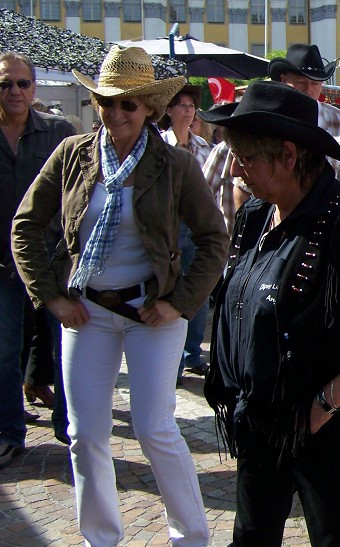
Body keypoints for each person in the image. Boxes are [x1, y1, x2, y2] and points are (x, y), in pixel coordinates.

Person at [11, 46, 229, 545]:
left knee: (154, 429)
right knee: (85, 435)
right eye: (107, 102)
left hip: (153, 312)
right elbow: (26, 224)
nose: (116, 114)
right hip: (88, 310)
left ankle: (191, 536)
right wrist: (50, 296)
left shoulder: (175, 163)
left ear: (149, 109)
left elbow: (215, 238)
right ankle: (100, 538)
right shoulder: (72, 154)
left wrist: (180, 303)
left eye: (128, 104)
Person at [200, 81, 340, 546]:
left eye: (246, 159)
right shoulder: (257, 214)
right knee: (252, 536)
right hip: (259, 416)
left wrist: (325, 403)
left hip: (326, 428)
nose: (238, 171)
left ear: (287, 155)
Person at [0, 51, 75, 466]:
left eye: (22, 83)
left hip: (52, 262)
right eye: (5, 84)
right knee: (4, 352)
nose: (14, 91)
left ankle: (70, 428)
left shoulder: (59, 133)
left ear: (34, 87)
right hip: (1, 265)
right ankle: (9, 431)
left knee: (66, 348)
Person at [161, 85, 213, 380]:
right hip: (168, 226)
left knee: (199, 292)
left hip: (198, 227)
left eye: (192, 106)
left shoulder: (203, 147)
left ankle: (192, 353)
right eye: (181, 105)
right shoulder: (158, 145)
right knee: (171, 291)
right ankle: (175, 361)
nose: (188, 111)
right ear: (169, 110)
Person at [267, 43, 340, 139]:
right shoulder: (267, 122)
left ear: (321, 84)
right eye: (301, 82)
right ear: (284, 80)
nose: (308, 90)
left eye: (315, 83)